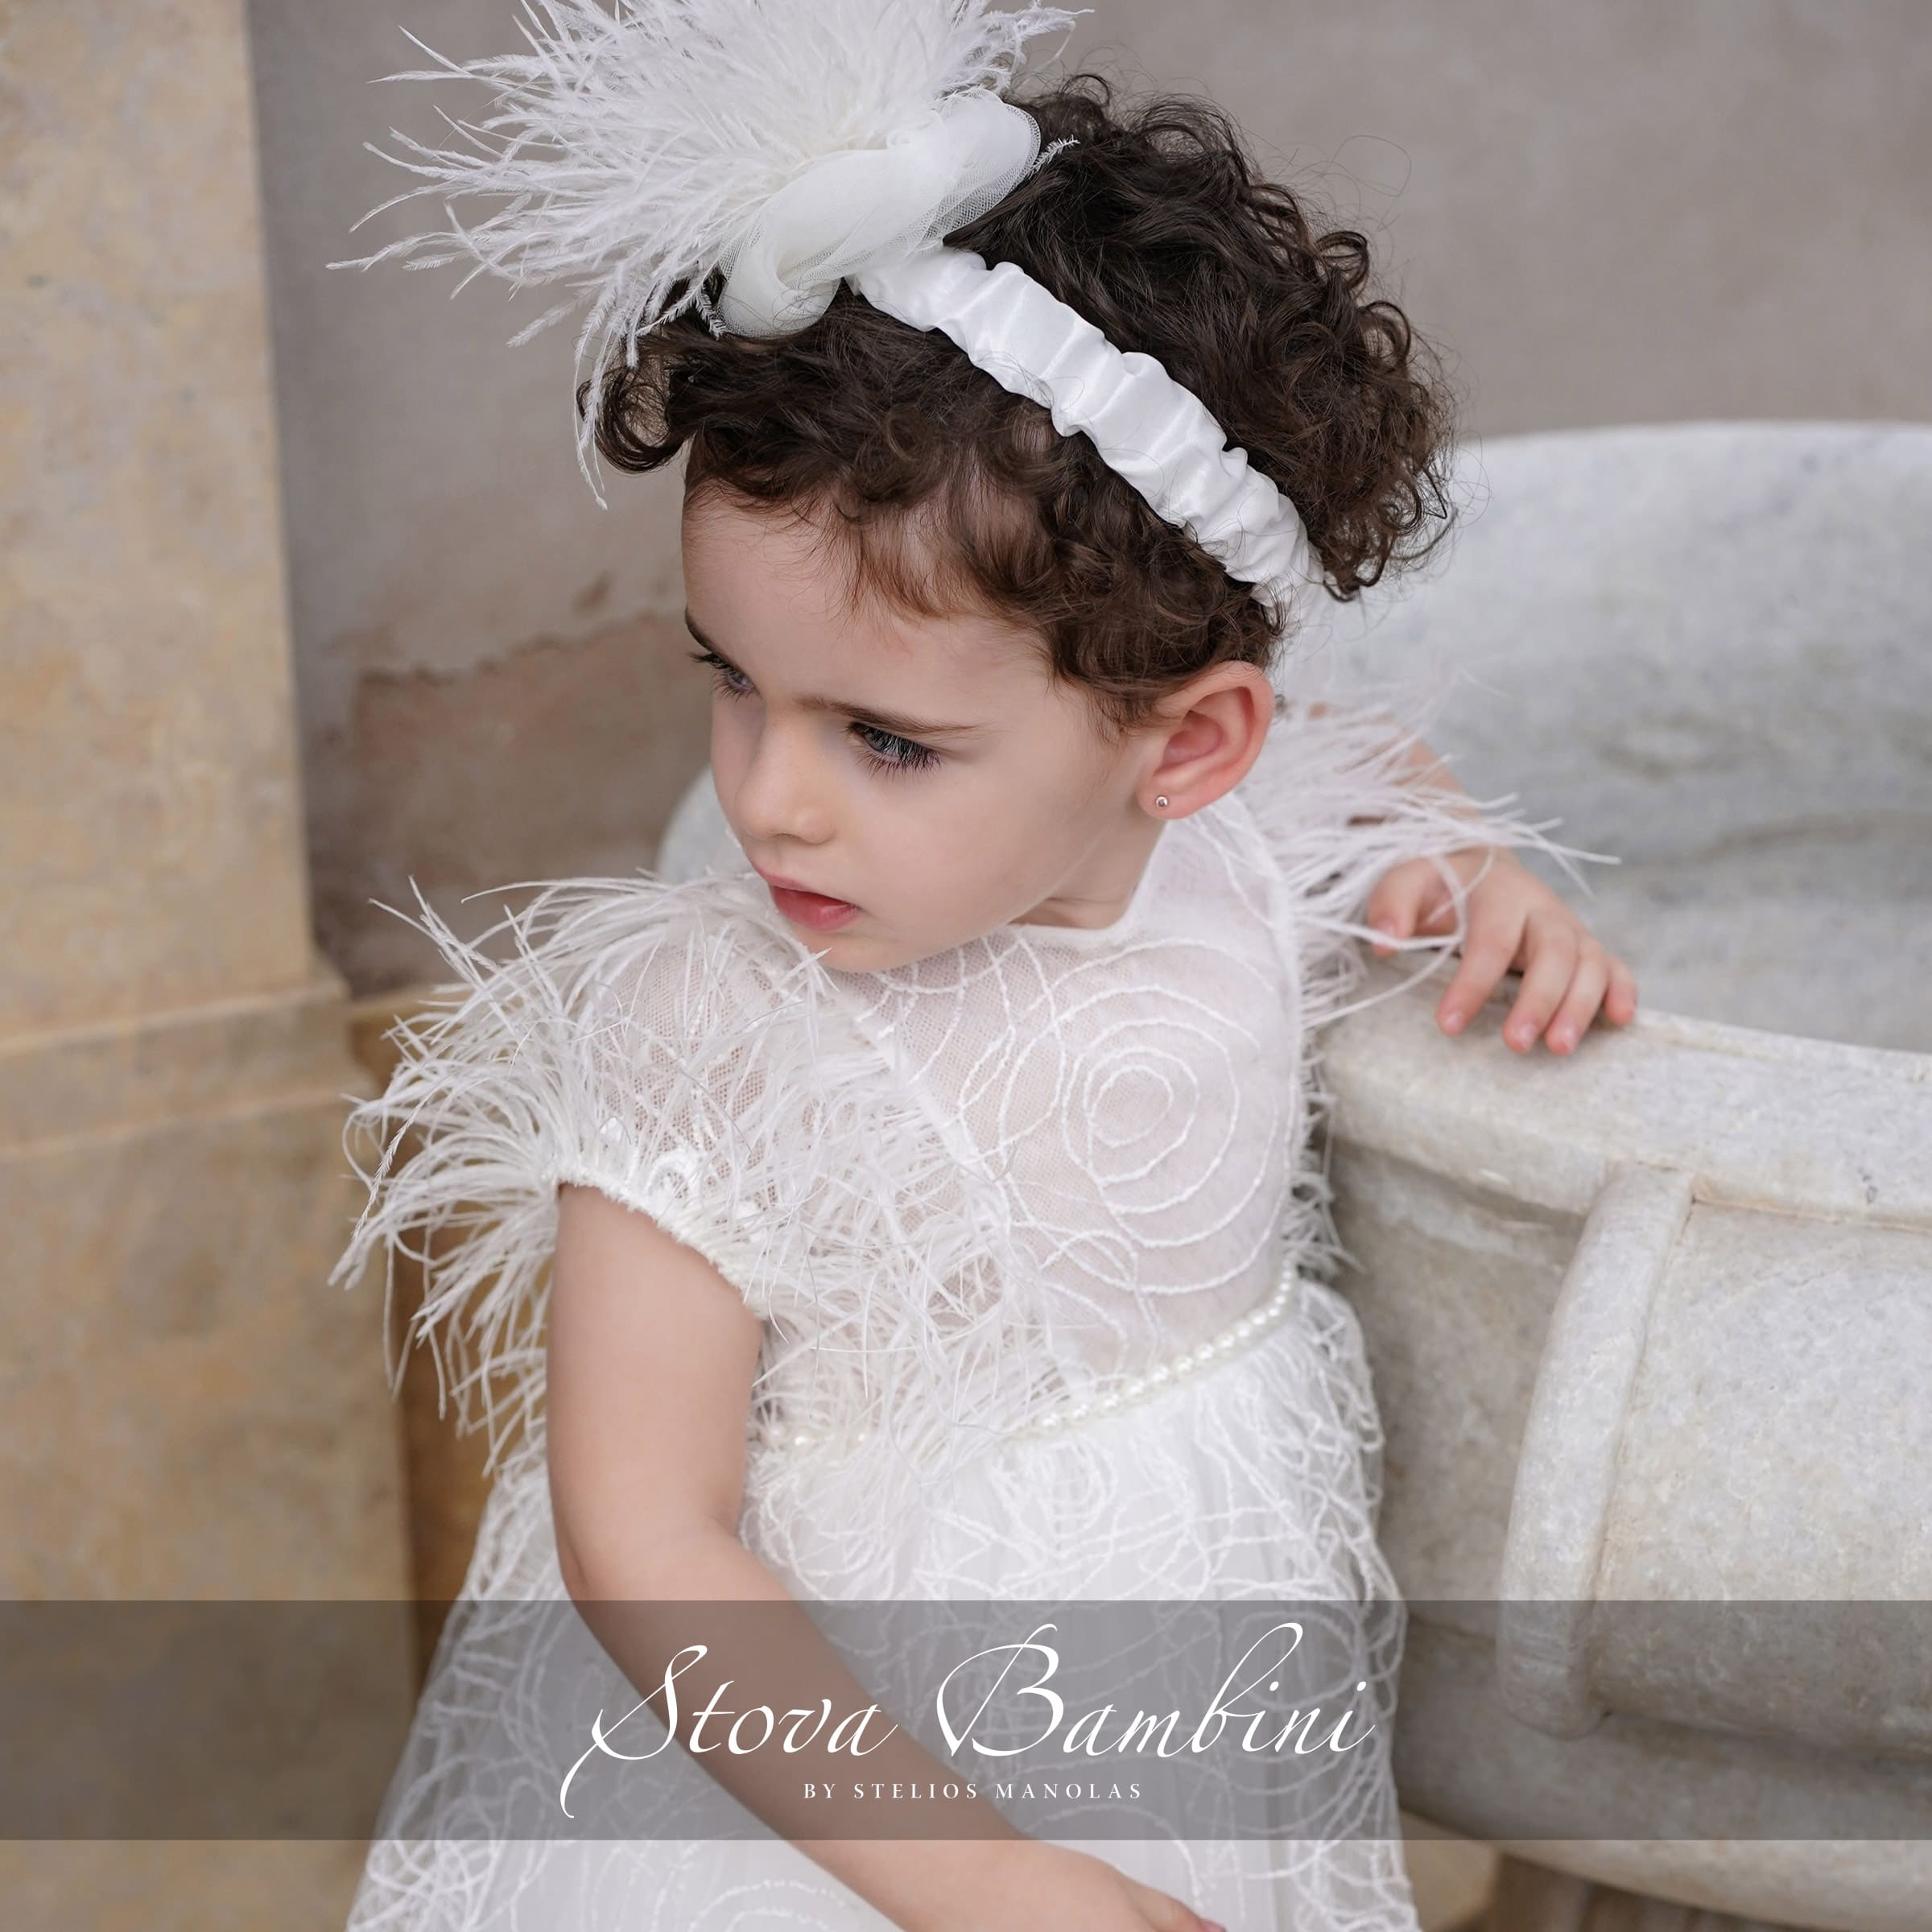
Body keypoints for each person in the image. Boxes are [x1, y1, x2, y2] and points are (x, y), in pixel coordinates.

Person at [329, 5, 1637, 1927]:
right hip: (848, 1786)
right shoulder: (709, 1031)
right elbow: (645, 1537)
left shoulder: (1250, 840)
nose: (771, 801)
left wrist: (1480, 877)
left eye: (885, 740)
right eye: (735, 684)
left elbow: (1377, 780)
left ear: (1186, 748)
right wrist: (987, 1879)